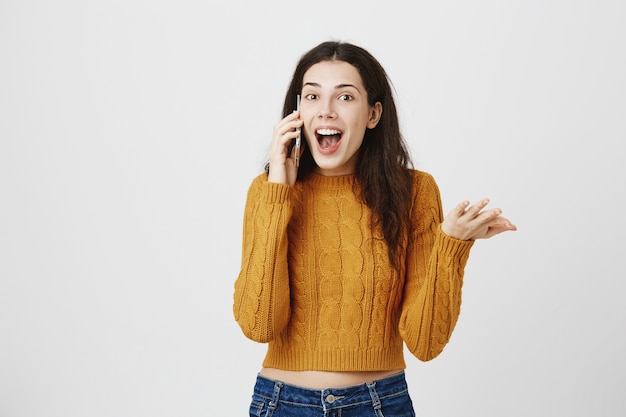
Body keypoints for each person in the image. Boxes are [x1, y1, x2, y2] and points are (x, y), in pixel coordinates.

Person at [233, 40, 516, 417]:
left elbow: (425, 343)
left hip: (380, 404)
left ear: (373, 114)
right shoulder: (267, 193)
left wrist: (452, 245)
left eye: (345, 97)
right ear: (297, 112)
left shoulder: (415, 191)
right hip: (282, 403)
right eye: (312, 96)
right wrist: (278, 194)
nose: (326, 111)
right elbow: (259, 325)